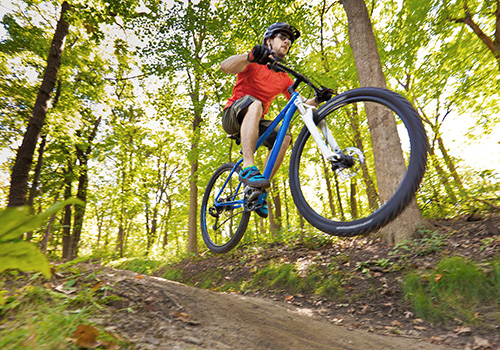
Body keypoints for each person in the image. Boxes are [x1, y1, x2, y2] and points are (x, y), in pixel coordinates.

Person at [220, 23, 331, 218]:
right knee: (256, 105)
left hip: (254, 122)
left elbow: (303, 104)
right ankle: (248, 167)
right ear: (268, 41)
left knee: (284, 137)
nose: (287, 41)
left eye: (289, 40)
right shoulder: (254, 62)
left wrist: (319, 99)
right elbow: (225, 67)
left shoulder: (284, 78)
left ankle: (259, 191)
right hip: (232, 114)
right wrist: (249, 56)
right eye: (282, 36)